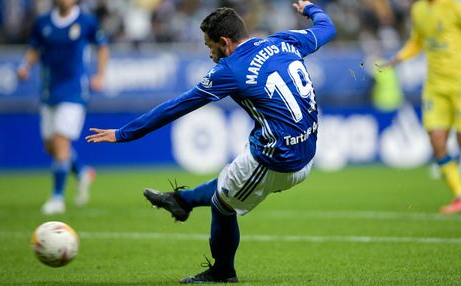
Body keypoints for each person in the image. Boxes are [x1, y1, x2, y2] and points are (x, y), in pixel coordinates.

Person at [87, 0, 335, 283]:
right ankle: (181, 201)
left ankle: (222, 271)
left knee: (222, 205)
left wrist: (123, 133)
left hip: (277, 160)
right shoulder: (283, 41)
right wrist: (310, 8)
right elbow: (327, 28)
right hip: (308, 150)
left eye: (210, 46)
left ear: (225, 42)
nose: (210, 54)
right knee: (234, 172)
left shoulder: (231, 69)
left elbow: (175, 107)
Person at [18, 0, 109, 215]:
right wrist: (25, 66)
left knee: (60, 140)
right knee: (51, 146)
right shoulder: (42, 22)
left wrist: (100, 75)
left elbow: (102, 47)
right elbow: (34, 48)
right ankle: (82, 172)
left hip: (74, 91)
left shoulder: (86, 21)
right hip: (49, 90)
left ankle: (57, 197)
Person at [381, 0, 461, 214]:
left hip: (459, 82)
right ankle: (459, 195)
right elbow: (418, 41)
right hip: (435, 86)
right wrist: (397, 59)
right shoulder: (419, 10)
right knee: (436, 140)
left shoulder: (454, 5)